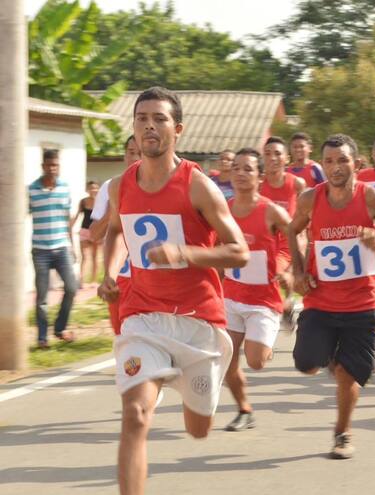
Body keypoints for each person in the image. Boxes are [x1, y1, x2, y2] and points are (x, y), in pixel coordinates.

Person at [98, 87, 249, 495]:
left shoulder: (198, 187)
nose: (150, 124)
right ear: (133, 127)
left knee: (197, 430)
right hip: (142, 319)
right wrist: (110, 272)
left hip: (198, 324)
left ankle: (185, 380)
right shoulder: (119, 187)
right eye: (142, 117)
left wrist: (184, 252)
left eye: (160, 118)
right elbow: (114, 231)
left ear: (177, 129)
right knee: (135, 415)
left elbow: (240, 251)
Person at [289, 133, 375, 459]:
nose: (335, 167)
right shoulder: (311, 199)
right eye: (328, 161)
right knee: (306, 364)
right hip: (320, 301)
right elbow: (292, 230)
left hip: (362, 303)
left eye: (342, 160)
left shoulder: (373, 199)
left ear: (356, 163)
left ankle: (342, 433)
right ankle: (331, 356)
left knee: (347, 375)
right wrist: (298, 271)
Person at [222, 148, 293, 432]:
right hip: (230, 295)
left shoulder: (271, 211)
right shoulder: (222, 209)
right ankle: (244, 409)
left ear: (260, 176)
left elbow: (292, 241)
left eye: (247, 169)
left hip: (263, 299)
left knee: (256, 362)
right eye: (236, 168)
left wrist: (284, 267)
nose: (240, 173)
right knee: (227, 357)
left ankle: (283, 316)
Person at [89, 135, 141, 335]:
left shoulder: (160, 187)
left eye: (140, 153)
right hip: (120, 278)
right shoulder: (111, 187)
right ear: (125, 155)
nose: (135, 158)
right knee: (124, 342)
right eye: (131, 152)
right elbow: (94, 234)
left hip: (151, 280)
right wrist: (114, 207)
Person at [29, 149, 78, 349]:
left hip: (62, 248)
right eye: (49, 165)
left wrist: (72, 246)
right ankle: (42, 338)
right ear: (43, 166)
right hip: (40, 250)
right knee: (41, 296)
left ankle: (59, 328)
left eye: (55, 165)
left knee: (72, 288)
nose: (52, 168)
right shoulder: (31, 190)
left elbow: (66, 220)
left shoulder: (65, 188)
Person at [260, 136, 306, 330]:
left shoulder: (297, 184)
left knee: (281, 275)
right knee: (273, 278)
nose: (272, 158)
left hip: (290, 239)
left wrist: (304, 238)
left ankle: (287, 304)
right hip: (268, 241)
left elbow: (305, 213)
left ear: (287, 158)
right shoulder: (259, 186)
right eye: (268, 154)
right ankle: (286, 306)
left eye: (277, 154)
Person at [70, 180, 101, 286]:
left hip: (96, 231)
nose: (93, 190)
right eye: (91, 188)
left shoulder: (102, 201)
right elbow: (77, 215)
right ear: (87, 190)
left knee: (95, 256)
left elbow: (105, 217)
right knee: (83, 256)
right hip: (84, 231)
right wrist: (70, 226)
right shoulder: (83, 201)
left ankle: (94, 281)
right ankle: (82, 281)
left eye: (96, 188)